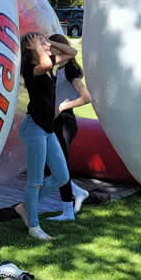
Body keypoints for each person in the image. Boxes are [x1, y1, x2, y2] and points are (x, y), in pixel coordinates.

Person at [14, 32, 74, 240]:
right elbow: (46, 65)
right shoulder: (32, 69)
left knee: (61, 176)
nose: (46, 44)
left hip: (46, 129)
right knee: (35, 181)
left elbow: (72, 52)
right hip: (34, 128)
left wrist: (48, 43)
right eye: (41, 41)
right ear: (31, 48)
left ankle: (24, 206)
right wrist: (39, 49)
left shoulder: (50, 64)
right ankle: (34, 227)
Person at [46, 33, 91, 220]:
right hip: (57, 122)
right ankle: (78, 191)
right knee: (51, 167)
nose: (49, 53)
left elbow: (86, 97)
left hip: (65, 123)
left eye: (51, 49)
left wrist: (63, 106)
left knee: (59, 166)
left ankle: (67, 211)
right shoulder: (59, 70)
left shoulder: (71, 69)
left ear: (59, 48)